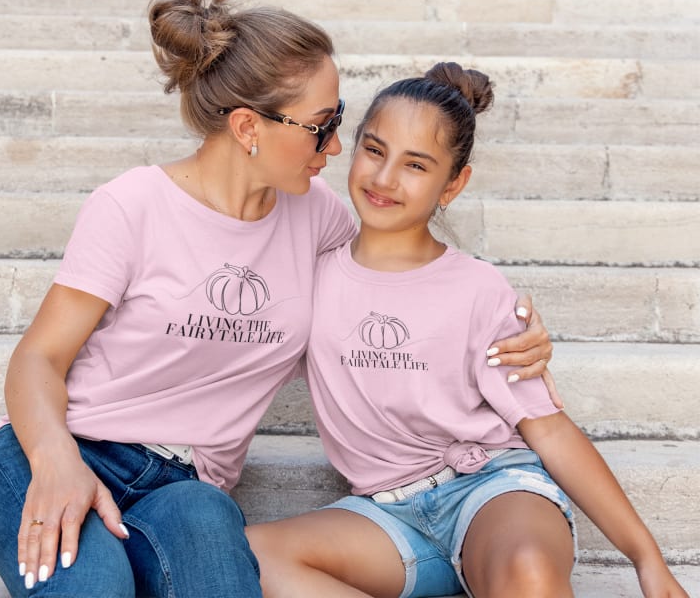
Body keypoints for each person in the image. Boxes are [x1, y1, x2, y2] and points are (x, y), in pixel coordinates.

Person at [0, 0, 554, 598]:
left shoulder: (318, 217)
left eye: (338, 119)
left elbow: (401, 287)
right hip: (68, 449)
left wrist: (511, 330)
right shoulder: (132, 206)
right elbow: (38, 357)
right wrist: (56, 461)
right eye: (321, 125)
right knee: (96, 587)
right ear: (249, 126)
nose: (337, 145)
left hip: (188, 490)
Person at [246, 63, 689, 598]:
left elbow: (548, 430)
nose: (385, 178)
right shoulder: (313, 276)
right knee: (246, 557)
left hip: (492, 491)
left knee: (528, 568)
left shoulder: (478, 288)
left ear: (453, 184)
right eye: (375, 150)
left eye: (416, 164)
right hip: (385, 515)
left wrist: (645, 557)